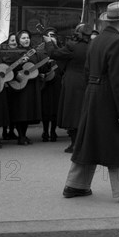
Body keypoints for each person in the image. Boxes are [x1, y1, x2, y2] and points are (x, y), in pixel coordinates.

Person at [63, 1, 119, 204]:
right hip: (108, 96)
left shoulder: (96, 40)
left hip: (93, 94)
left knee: (88, 141)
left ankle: (75, 185)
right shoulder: (118, 42)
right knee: (116, 143)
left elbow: (87, 72)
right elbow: (118, 80)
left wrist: (92, 92)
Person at [45, 23, 92, 152]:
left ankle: (75, 144)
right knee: (82, 112)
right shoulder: (92, 46)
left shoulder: (72, 46)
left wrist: (49, 42)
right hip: (87, 81)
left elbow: (53, 54)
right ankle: (83, 144)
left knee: (72, 113)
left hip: (72, 82)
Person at [5, 29, 42, 145]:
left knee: (28, 112)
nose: (26, 40)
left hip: (31, 85)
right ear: (18, 40)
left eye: (27, 38)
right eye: (23, 38)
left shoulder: (33, 51)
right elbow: (8, 69)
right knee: (20, 111)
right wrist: (20, 62)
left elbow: (36, 66)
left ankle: (24, 135)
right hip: (19, 85)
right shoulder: (14, 52)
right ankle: (20, 136)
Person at [39, 27, 63, 142]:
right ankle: (45, 131)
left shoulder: (61, 49)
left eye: (53, 35)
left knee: (55, 108)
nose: (51, 37)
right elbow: (36, 66)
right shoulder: (40, 50)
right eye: (49, 35)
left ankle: (53, 131)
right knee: (45, 109)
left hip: (57, 82)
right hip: (45, 83)